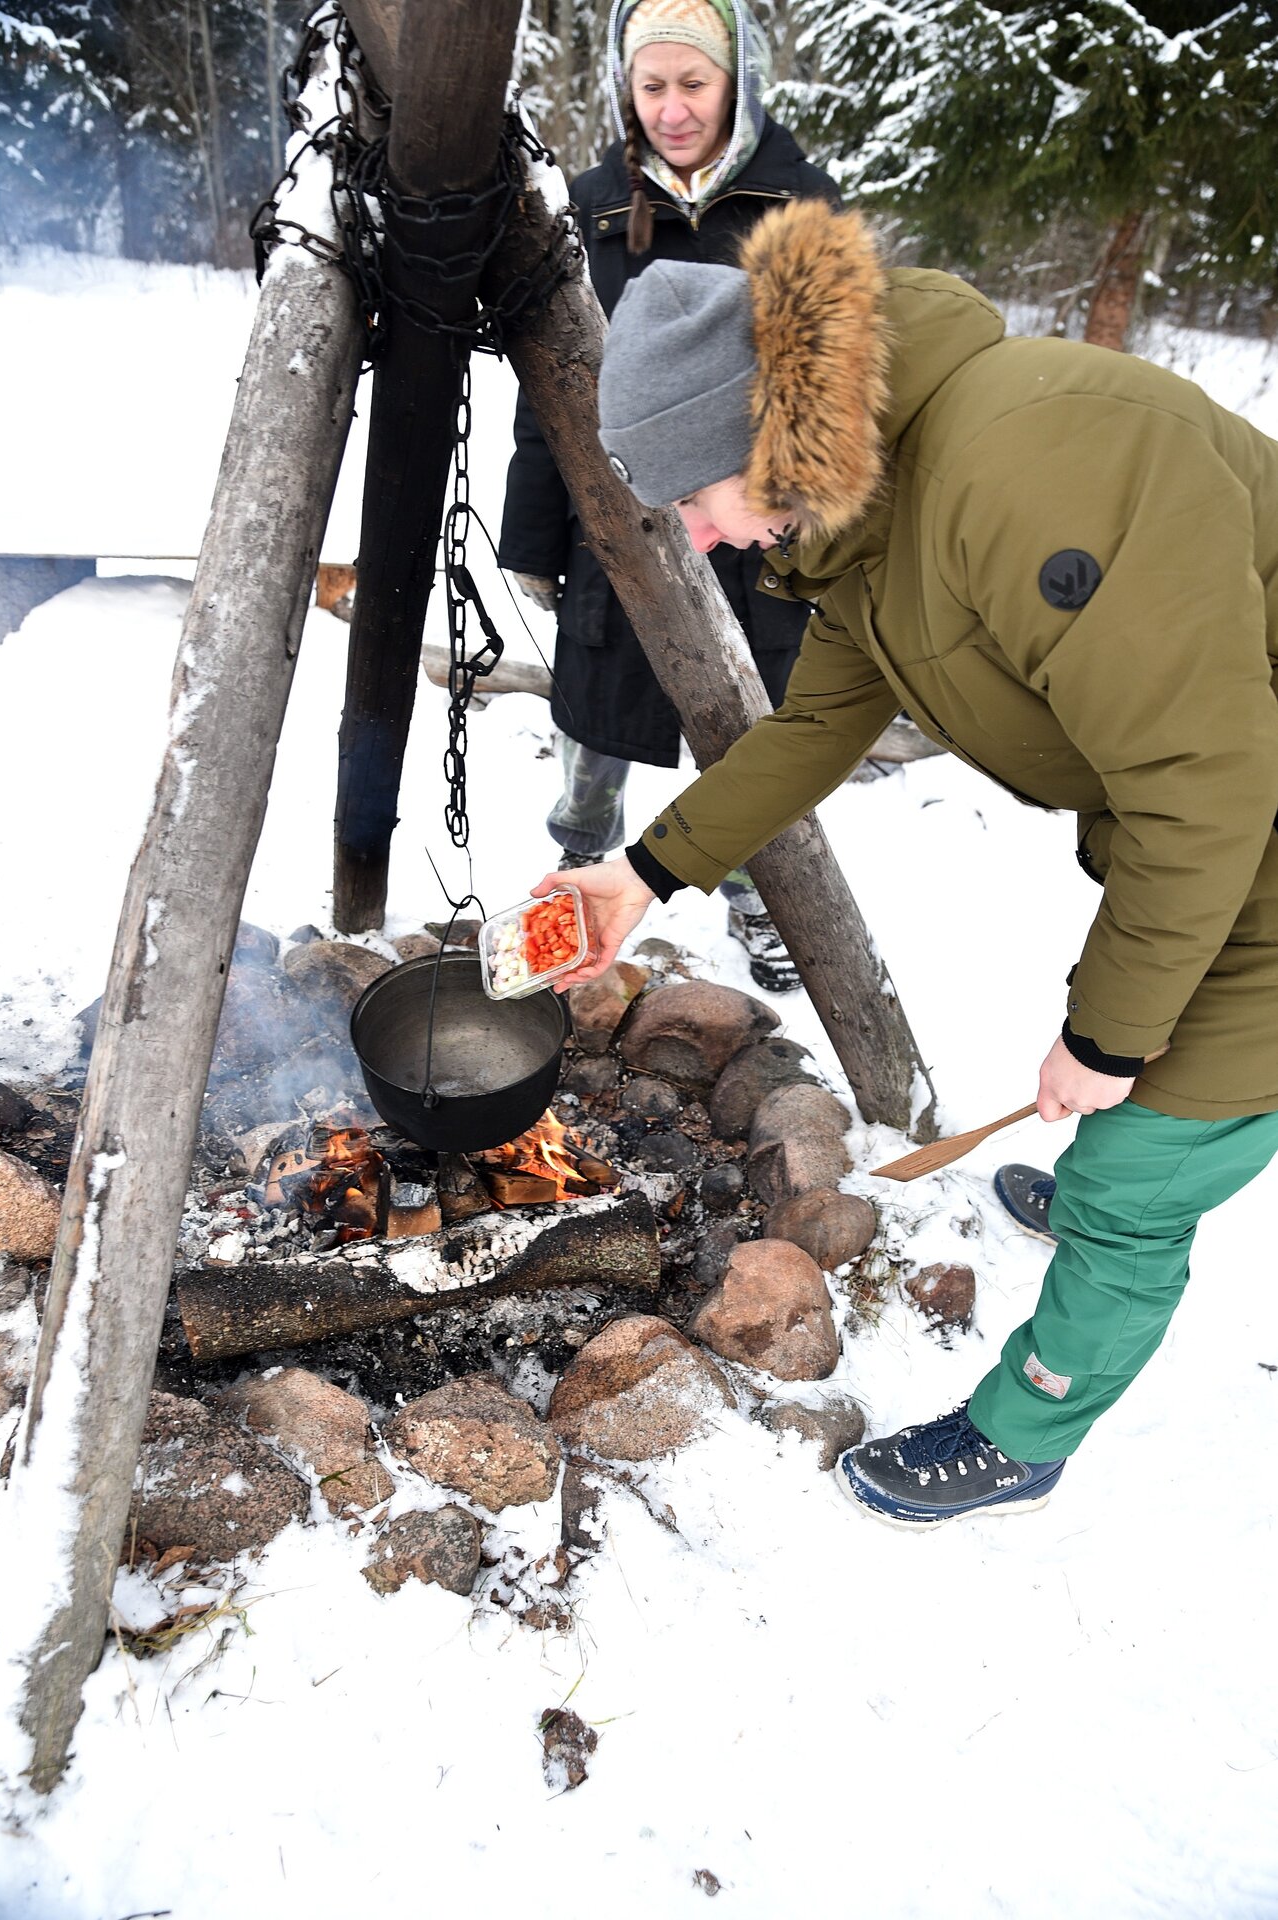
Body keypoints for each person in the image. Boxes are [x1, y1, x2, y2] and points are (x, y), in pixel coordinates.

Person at [535, 195, 1278, 1527]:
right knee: (1138, 1080)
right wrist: (638, 875)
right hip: (1221, 821)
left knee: (1138, 1170)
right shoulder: (864, 521)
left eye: (692, 497)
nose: (694, 536)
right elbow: (816, 725)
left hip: (1248, 837)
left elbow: (1198, 796)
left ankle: (1022, 1432)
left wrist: (1107, 1045)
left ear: (756, 441)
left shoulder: (1025, 464)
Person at [498, 0, 840, 991]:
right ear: (624, 86)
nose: (673, 109)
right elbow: (552, 374)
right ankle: (580, 852)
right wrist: (532, 531)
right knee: (597, 703)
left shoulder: (801, 201)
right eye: (652, 86)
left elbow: (832, 384)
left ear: (740, 82)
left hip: (756, 514)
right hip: (619, 511)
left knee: (748, 717)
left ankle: (749, 885)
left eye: (693, 83)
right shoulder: (593, 201)